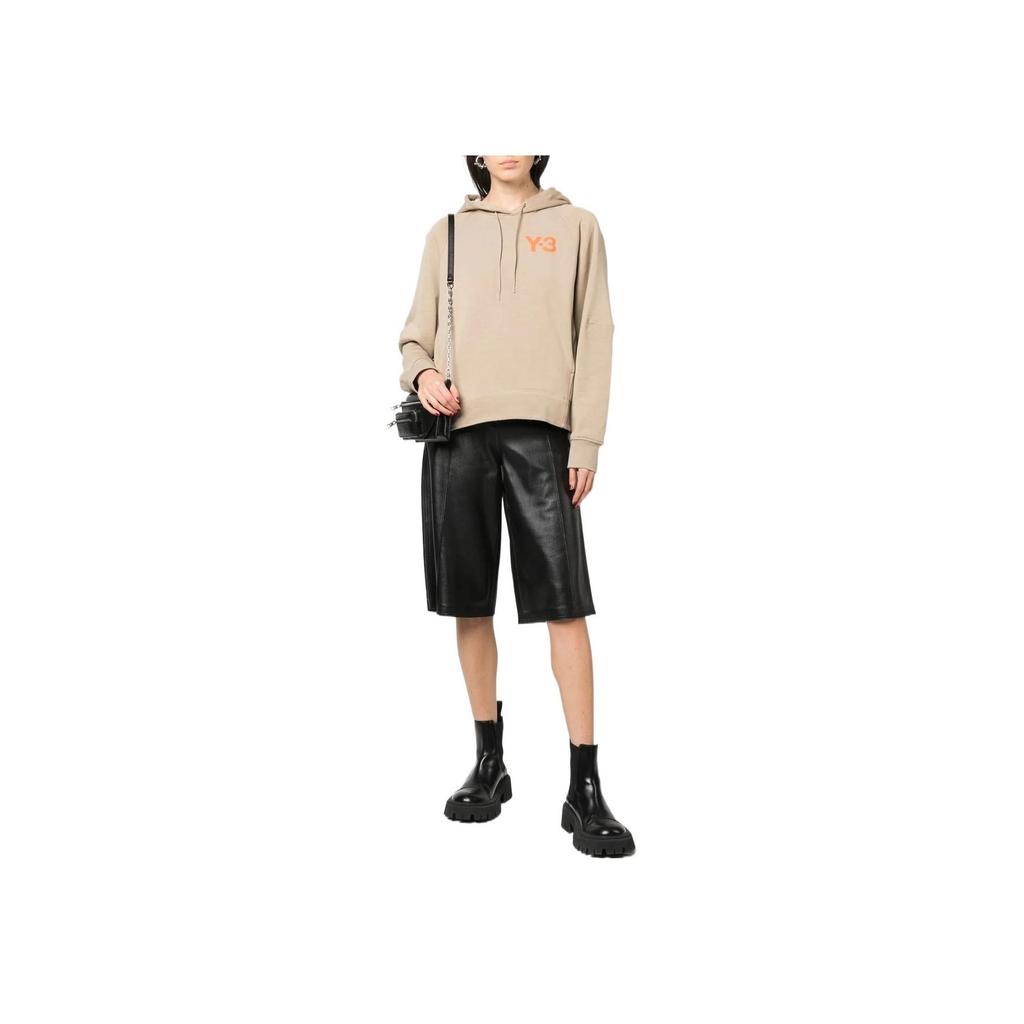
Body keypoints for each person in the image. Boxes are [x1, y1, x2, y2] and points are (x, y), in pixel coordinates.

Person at [397, 156, 634, 858]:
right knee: (470, 605)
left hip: (545, 436)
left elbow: (596, 331)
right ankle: (489, 762)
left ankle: (584, 786)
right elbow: (413, 337)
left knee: (565, 605)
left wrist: (586, 440)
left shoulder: (578, 226)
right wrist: (425, 372)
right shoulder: (446, 231)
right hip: (458, 436)